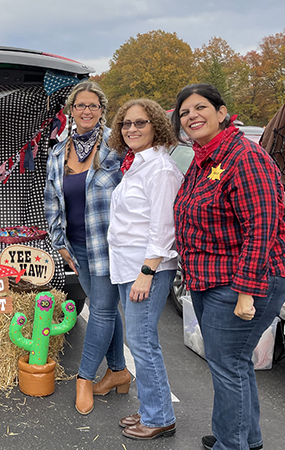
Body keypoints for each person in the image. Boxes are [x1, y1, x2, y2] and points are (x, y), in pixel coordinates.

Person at [171, 84, 285, 450]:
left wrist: (246, 292)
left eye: (200, 108)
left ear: (222, 111)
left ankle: (233, 443)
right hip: (213, 278)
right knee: (233, 364)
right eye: (184, 113)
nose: (192, 116)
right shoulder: (203, 159)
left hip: (246, 278)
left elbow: (263, 226)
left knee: (228, 365)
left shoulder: (245, 156)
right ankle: (245, 436)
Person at [44, 80, 127, 416]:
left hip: (108, 243)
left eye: (93, 105)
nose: (87, 110)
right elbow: (52, 202)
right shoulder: (57, 153)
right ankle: (119, 370)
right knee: (103, 307)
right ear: (71, 111)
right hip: (77, 245)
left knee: (103, 310)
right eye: (81, 105)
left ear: (102, 110)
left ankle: (85, 378)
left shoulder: (115, 148)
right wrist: (59, 243)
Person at [106, 99, 182, 439]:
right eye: (126, 124)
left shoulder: (161, 169)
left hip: (145, 270)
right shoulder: (136, 164)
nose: (132, 129)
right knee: (139, 341)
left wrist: (147, 272)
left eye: (140, 123)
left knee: (142, 342)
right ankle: (153, 407)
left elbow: (163, 228)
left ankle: (160, 417)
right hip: (127, 267)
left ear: (156, 127)